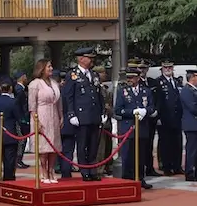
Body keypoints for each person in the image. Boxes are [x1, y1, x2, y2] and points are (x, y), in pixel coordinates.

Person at [62, 48, 105, 182]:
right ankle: (84, 170)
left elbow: (99, 96)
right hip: (81, 116)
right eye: (88, 57)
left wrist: (103, 111)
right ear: (80, 59)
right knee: (82, 145)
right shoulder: (73, 75)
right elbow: (68, 96)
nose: (91, 60)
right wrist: (71, 114)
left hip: (94, 115)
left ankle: (93, 169)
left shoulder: (94, 75)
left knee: (93, 145)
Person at [115, 67, 155, 189]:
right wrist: (132, 112)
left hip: (142, 128)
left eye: (132, 77)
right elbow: (118, 110)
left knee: (141, 155)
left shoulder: (146, 91)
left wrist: (144, 111)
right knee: (127, 155)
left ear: (138, 78)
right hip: (128, 128)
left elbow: (152, 107)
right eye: (128, 78)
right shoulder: (122, 91)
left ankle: (140, 178)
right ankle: (127, 179)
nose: (129, 80)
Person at [29, 59, 62, 184]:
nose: (51, 68)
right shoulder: (35, 84)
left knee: (54, 145)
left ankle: (51, 170)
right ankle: (44, 172)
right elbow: (32, 105)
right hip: (41, 114)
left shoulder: (54, 83)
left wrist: (61, 115)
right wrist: (36, 121)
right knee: (44, 146)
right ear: (42, 68)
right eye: (49, 66)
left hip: (54, 114)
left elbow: (59, 101)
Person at [0, 77, 20, 181]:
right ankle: (9, 181)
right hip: (10, 134)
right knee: (9, 161)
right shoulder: (13, 102)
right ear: (10, 88)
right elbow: (19, 118)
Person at [156, 61, 183, 175]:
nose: (168, 69)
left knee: (177, 143)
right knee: (166, 143)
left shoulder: (177, 81)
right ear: (162, 68)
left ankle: (177, 166)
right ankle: (166, 167)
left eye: (170, 67)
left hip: (177, 117)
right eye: (165, 67)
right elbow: (157, 101)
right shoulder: (158, 82)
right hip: (165, 117)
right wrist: (158, 117)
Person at [13, 71, 30, 170]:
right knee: (21, 140)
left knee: (23, 140)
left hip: (23, 117)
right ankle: (18, 160)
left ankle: (19, 159)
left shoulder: (21, 89)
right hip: (21, 119)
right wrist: (22, 119)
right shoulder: (19, 90)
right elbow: (19, 106)